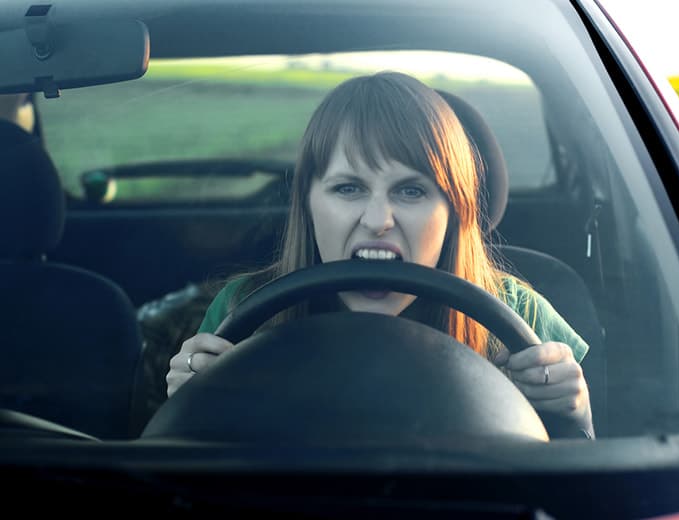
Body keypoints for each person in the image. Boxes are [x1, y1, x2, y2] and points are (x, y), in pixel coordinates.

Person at [165, 71, 594, 439]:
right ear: (308, 203)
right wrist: (185, 406)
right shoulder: (244, 310)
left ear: (454, 210)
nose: (378, 219)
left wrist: (577, 416)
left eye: (411, 191)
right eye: (348, 188)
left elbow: (597, 487)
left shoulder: (522, 319)